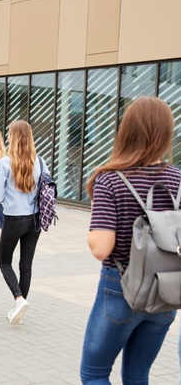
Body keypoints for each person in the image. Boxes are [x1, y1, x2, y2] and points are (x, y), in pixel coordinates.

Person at [80, 97, 178, 384]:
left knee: (94, 375)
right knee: (138, 375)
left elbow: (101, 248)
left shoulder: (111, 180)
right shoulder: (178, 180)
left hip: (120, 288)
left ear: (127, 130)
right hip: (167, 292)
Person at [0, 120, 48, 325]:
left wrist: (11, 200)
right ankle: (19, 308)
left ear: (12, 137)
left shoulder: (5, 163)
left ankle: (18, 299)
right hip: (35, 219)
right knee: (26, 265)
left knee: (4, 262)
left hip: (14, 218)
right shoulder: (40, 162)